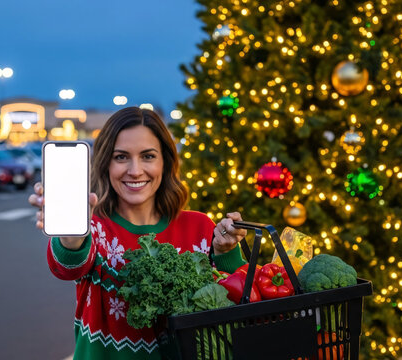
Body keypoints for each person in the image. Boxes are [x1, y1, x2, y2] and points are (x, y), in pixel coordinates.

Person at [29, 107, 247, 360]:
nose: (134, 170)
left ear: (165, 162)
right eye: (121, 157)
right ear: (105, 164)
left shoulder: (199, 226)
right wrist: (71, 235)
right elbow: (67, 268)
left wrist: (226, 252)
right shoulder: (94, 228)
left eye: (148, 156)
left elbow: (236, 298)